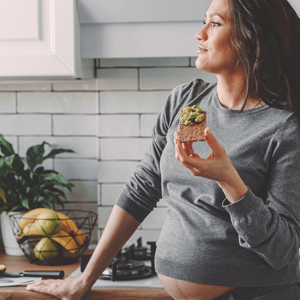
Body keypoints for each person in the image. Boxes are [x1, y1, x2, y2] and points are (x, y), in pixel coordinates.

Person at [26, 0, 300, 299]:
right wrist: (84, 279)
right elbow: (142, 189)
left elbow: (283, 250)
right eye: (203, 21)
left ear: (252, 36)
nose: (200, 33)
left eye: (215, 23)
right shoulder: (186, 101)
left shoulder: (285, 126)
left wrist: (229, 180)